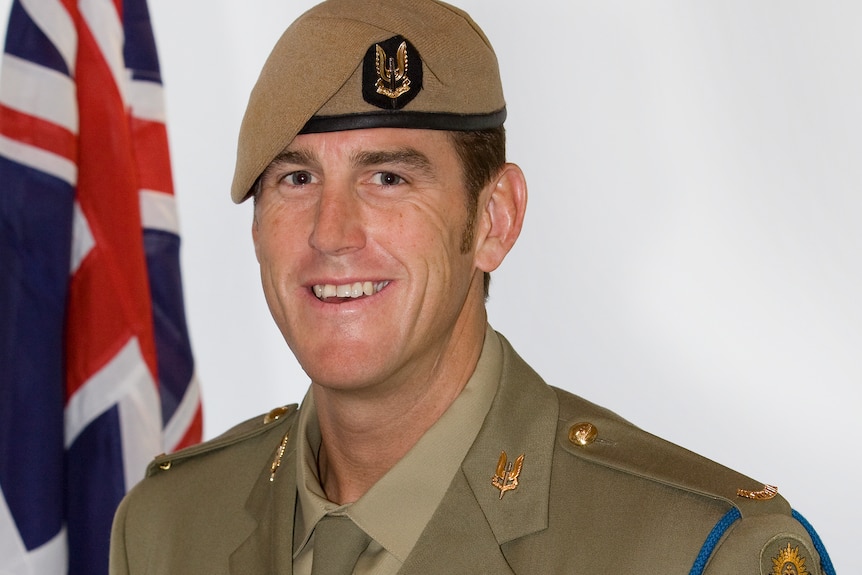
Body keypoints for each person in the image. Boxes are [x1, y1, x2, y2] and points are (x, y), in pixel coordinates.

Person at [109, 0, 835, 573]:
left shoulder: (699, 552)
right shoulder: (166, 530)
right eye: (296, 179)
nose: (332, 232)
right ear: (257, 229)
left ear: (494, 219)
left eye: (388, 177)